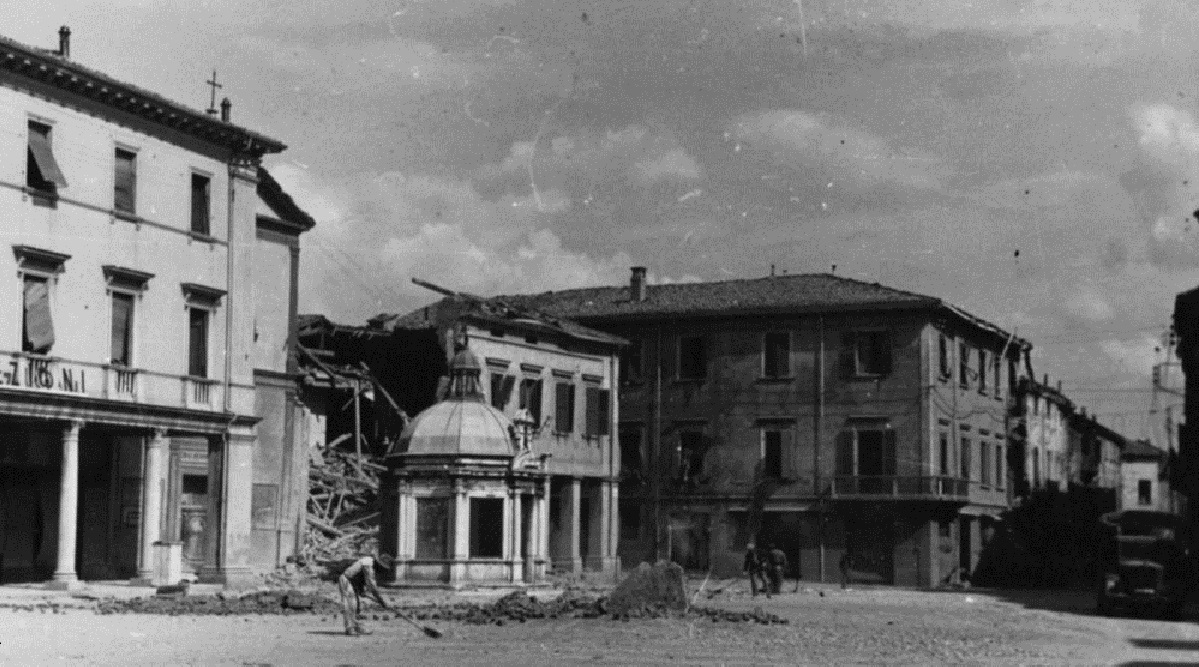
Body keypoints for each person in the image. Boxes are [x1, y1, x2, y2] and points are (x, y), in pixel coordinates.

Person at [339, 553, 394, 636]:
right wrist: (381, 600)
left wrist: (361, 590)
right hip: (347, 580)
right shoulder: (368, 564)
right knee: (350, 605)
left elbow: (361, 578)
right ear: (379, 564)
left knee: (356, 606)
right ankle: (349, 628)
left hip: (353, 583)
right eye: (382, 568)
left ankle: (356, 627)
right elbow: (371, 584)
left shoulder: (371, 566)